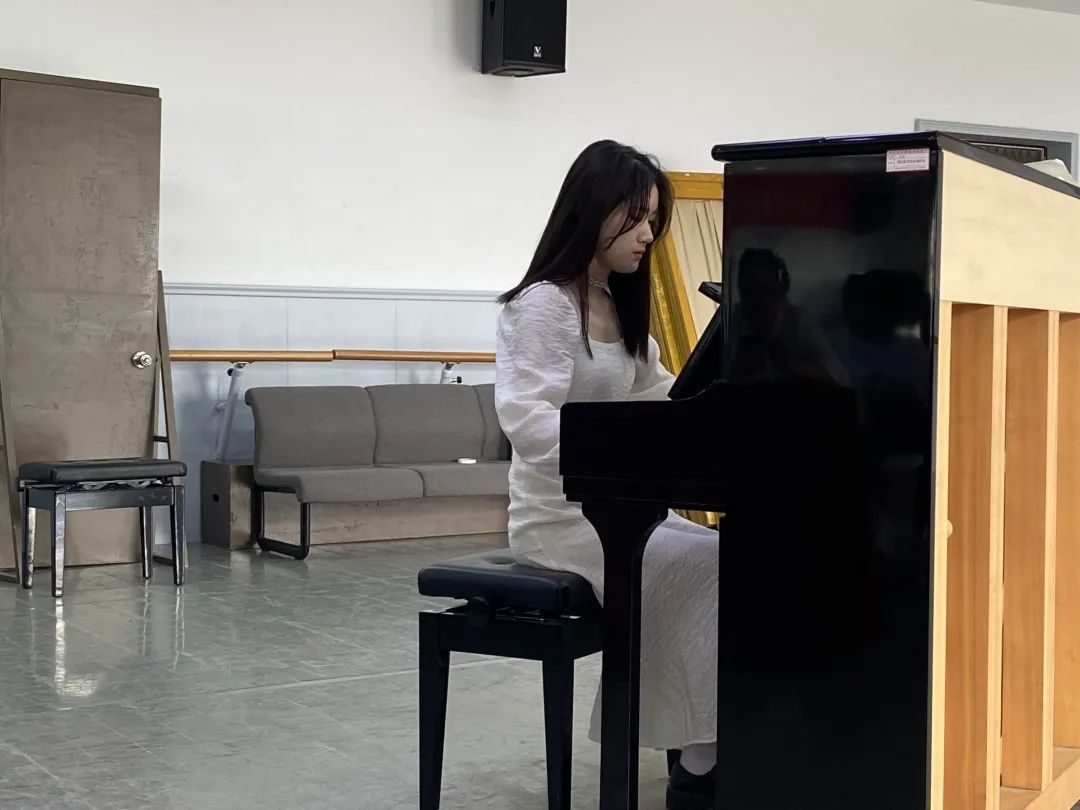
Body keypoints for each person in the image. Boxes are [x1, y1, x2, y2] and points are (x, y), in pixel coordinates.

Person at [494, 140, 719, 810]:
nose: (649, 234)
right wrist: (608, 450)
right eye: (637, 216)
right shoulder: (544, 304)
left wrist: (719, 409)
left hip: (620, 507)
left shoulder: (617, 305)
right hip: (559, 518)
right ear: (594, 210)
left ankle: (707, 737)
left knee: (739, 557)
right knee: (711, 568)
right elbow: (526, 418)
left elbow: (660, 394)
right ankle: (701, 760)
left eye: (654, 219)